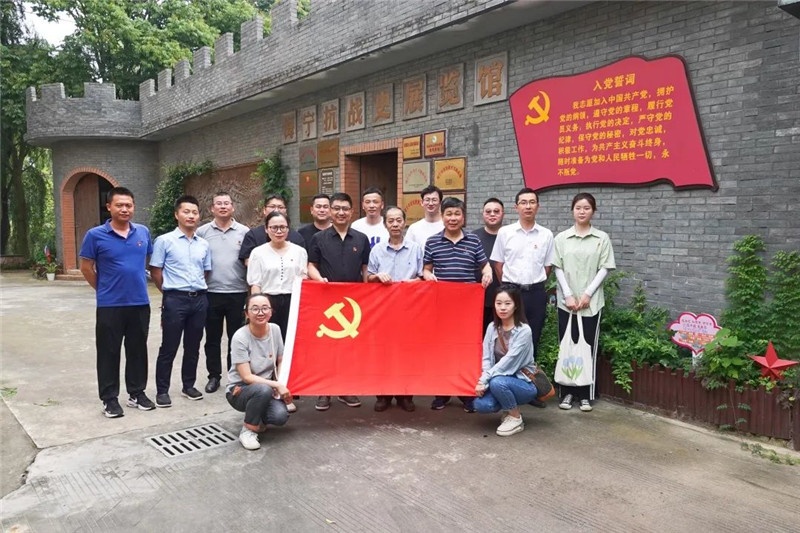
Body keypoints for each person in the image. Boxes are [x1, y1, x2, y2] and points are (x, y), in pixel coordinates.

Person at [79, 187, 155, 418]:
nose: (124, 209)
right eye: (119, 205)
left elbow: (146, 262)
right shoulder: (95, 235)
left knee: (137, 350)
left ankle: (137, 393)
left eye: (128, 205)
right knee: (108, 352)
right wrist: (103, 289)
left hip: (139, 302)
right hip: (110, 305)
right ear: (109, 207)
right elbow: (86, 268)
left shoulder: (142, 232)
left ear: (133, 207)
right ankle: (109, 399)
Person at [423, 196, 492, 412]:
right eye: (448, 214)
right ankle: (442, 393)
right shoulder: (432, 241)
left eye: (457, 214)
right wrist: (427, 275)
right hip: (442, 305)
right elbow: (426, 268)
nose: (452, 218)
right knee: (442, 349)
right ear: (442, 216)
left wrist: (487, 273)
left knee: (466, 349)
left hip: (468, 307)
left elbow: (485, 265)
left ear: (463, 216)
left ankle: (466, 393)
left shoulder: (473, 240)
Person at [552, 193, 616, 412]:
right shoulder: (562, 238)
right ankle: (567, 392)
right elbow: (557, 267)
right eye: (578, 207)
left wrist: (588, 294)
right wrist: (568, 294)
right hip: (567, 303)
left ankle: (585, 394)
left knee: (588, 347)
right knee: (567, 346)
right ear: (572, 210)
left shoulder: (601, 238)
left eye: (586, 208)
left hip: (591, 303)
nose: (582, 211)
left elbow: (605, 267)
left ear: (593, 211)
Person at [307, 192, 371, 411]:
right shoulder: (319, 238)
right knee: (326, 347)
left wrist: (367, 294)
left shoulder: (361, 239)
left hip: (354, 303)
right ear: (330, 211)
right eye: (336, 208)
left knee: (349, 348)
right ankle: (324, 391)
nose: (341, 212)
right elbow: (311, 266)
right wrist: (319, 280)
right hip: (327, 303)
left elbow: (365, 269)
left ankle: (346, 389)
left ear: (352, 212)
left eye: (345, 209)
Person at [150, 195, 212, 408]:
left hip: (199, 300)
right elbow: (156, 271)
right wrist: (168, 292)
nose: (191, 216)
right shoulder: (164, 241)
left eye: (195, 212)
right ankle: (162, 390)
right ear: (177, 214)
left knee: (193, 345)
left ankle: (189, 385)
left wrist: (195, 289)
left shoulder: (203, 244)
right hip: (175, 299)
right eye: (186, 212)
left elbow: (206, 271)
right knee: (169, 346)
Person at [366, 206, 423, 412]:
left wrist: (413, 282)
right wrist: (377, 276)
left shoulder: (416, 249)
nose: (395, 224)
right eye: (391, 221)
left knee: (408, 352)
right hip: (384, 311)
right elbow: (368, 277)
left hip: (409, 309)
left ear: (405, 223)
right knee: (383, 352)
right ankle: (383, 395)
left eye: (399, 220)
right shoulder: (377, 250)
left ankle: (405, 395)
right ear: (385, 224)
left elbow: (423, 276)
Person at [196, 192, 249, 394]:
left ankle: (234, 376)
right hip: (211, 292)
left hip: (238, 292)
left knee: (236, 338)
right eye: (219, 203)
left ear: (233, 207)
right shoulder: (202, 232)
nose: (223, 206)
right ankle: (213, 376)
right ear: (212, 208)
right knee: (212, 338)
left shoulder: (244, 232)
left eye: (227, 203)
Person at [491, 187, 554, 354]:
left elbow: (548, 266)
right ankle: (507, 368)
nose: (528, 206)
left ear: (538, 206)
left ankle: (528, 368)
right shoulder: (505, 232)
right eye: (523, 202)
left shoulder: (546, 234)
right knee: (509, 336)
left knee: (533, 335)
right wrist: (508, 287)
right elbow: (498, 264)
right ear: (516, 207)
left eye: (532, 202)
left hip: (536, 293)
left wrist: (534, 282)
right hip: (511, 293)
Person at [226, 293, 291, 450]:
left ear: (271, 311)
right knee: (262, 390)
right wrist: (275, 385)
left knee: (280, 416)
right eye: (255, 309)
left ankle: (256, 414)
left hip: (267, 387)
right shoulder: (240, 337)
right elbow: (247, 377)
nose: (260, 313)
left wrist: (280, 383)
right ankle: (248, 430)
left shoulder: (275, 329)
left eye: (265, 308)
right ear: (247, 313)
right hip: (240, 390)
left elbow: (281, 360)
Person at [474, 284, 538, 436]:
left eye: (508, 303)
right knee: (481, 405)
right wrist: (485, 380)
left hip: (523, 383)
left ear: (516, 305)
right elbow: (486, 358)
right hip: (497, 378)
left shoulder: (524, 331)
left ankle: (515, 418)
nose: (502, 308)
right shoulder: (492, 327)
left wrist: (484, 379)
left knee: (498, 382)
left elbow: (508, 362)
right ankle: (508, 409)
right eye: (499, 303)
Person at [247, 211, 308, 341]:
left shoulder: (300, 251)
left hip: (292, 301)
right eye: (274, 227)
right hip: (268, 301)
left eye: (282, 227)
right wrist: (257, 306)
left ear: (288, 229)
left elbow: (303, 278)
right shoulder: (257, 253)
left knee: (291, 339)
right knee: (269, 339)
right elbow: (255, 284)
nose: (279, 231)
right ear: (266, 229)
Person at [239, 194, 305, 265]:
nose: (276, 210)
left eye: (280, 207)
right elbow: (248, 261)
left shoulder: (296, 237)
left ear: (286, 211)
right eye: (272, 207)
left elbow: (302, 261)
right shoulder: (252, 235)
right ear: (264, 210)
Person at [473, 197, 504, 332]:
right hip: (478, 298)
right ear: (483, 214)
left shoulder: (509, 235)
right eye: (488, 211)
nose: (492, 214)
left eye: (496, 211)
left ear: (503, 214)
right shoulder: (473, 237)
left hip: (504, 299)